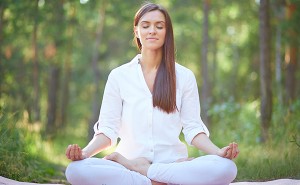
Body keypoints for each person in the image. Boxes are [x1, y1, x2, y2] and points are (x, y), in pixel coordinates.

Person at [65, 2, 239, 185]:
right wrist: (84, 153)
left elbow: (193, 128)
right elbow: (107, 131)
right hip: (126, 163)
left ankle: (145, 172)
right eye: (145, 25)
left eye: (159, 26)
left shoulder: (184, 76)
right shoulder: (119, 76)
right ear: (137, 31)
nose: (152, 31)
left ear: (167, 31)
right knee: (76, 170)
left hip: (172, 164)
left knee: (226, 168)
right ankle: (160, 180)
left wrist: (218, 152)